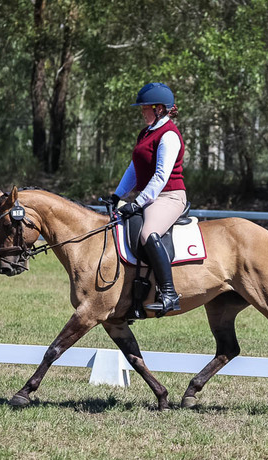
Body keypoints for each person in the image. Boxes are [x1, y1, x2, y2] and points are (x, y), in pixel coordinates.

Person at [109, 82, 187, 317]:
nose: (142, 112)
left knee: (147, 233)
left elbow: (161, 176)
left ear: (159, 109)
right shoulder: (146, 132)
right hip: (152, 196)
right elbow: (134, 168)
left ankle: (169, 293)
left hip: (169, 196)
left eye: (145, 108)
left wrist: (137, 202)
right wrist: (117, 195)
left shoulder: (169, 135)